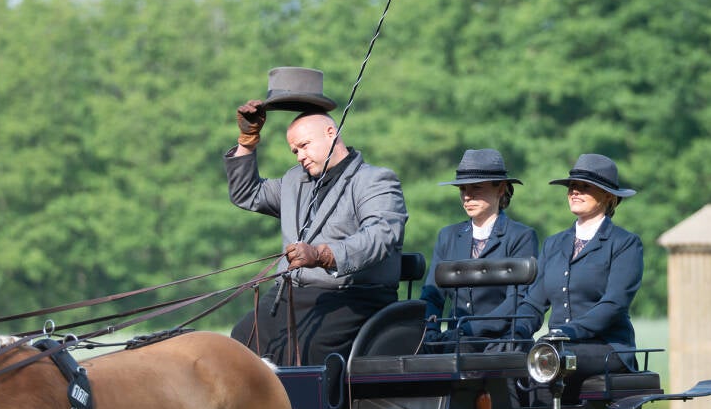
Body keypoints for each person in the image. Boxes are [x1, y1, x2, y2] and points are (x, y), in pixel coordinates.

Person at [224, 67, 408, 366]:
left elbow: (381, 235)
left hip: (352, 296)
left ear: (331, 133)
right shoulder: (294, 181)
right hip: (291, 293)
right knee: (242, 337)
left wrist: (323, 254)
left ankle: (314, 400)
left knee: (310, 347)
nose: (299, 156)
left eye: (304, 146)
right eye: (294, 151)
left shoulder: (374, 180)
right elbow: (247, 194)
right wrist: (247, 142)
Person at [514, 153, 643, 402]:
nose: (575, 191)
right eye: (572, 186)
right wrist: (516, 332)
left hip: (607, 347)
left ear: (609, 196)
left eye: (585, 187)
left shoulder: (625, 243)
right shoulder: (553, 244)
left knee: (547, 360)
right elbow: (534, 302)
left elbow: (614, 304)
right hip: (557, 345)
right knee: (511, 360)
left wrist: (567, 332)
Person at [420, 149, 538, 352]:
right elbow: (432, 295)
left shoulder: (521, 236)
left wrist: (469, 329)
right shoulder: (448, 236)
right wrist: (430, 330)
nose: (467, 196)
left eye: (476, 188)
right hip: (454, 343)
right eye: (462, 189)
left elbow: (517, 300)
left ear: (500, 189)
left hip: (500, 343)